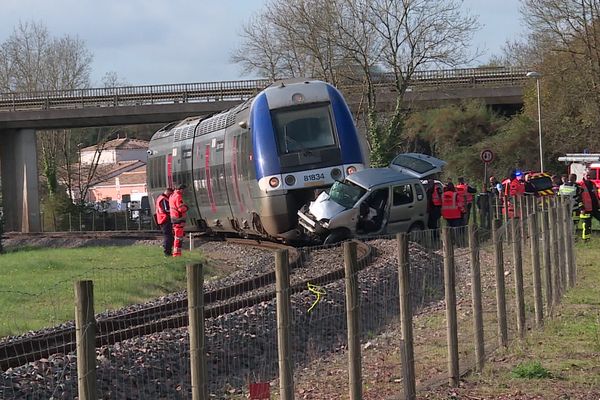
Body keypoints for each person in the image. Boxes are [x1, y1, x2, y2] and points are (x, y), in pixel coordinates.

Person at [578, 173, 600, 241]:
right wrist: (581, 207)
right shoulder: (580, 185)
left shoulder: (593, 184)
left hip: (595, 207)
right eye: (587, 175)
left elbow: (596, 195)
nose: (588, 177)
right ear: (583, 176)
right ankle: (586, 239)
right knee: (587, 225)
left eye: (589, 175)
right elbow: (578, 198)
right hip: (586, 209)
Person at [169, 184, 189, 257]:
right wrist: (186, 207)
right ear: (181, 189)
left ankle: (176, 253)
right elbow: (180, 208)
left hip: (174, 218)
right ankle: (177, 254)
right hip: (179, 219)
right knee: (178, 238)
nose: (184, 192)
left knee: (177, 237)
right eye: (184, 190)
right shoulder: (178, 196)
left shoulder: (171, 196)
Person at [155, 187, 174, 257]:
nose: (171, 196)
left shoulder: (160, 197)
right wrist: (174, 211)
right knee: (168, 236)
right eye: (171, 194)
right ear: (168, 192)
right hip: (164, 219)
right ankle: (167, 252)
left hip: (162, 219)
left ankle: (168, 251)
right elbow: (166, 210)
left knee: (168, 236)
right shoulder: (163, 199)